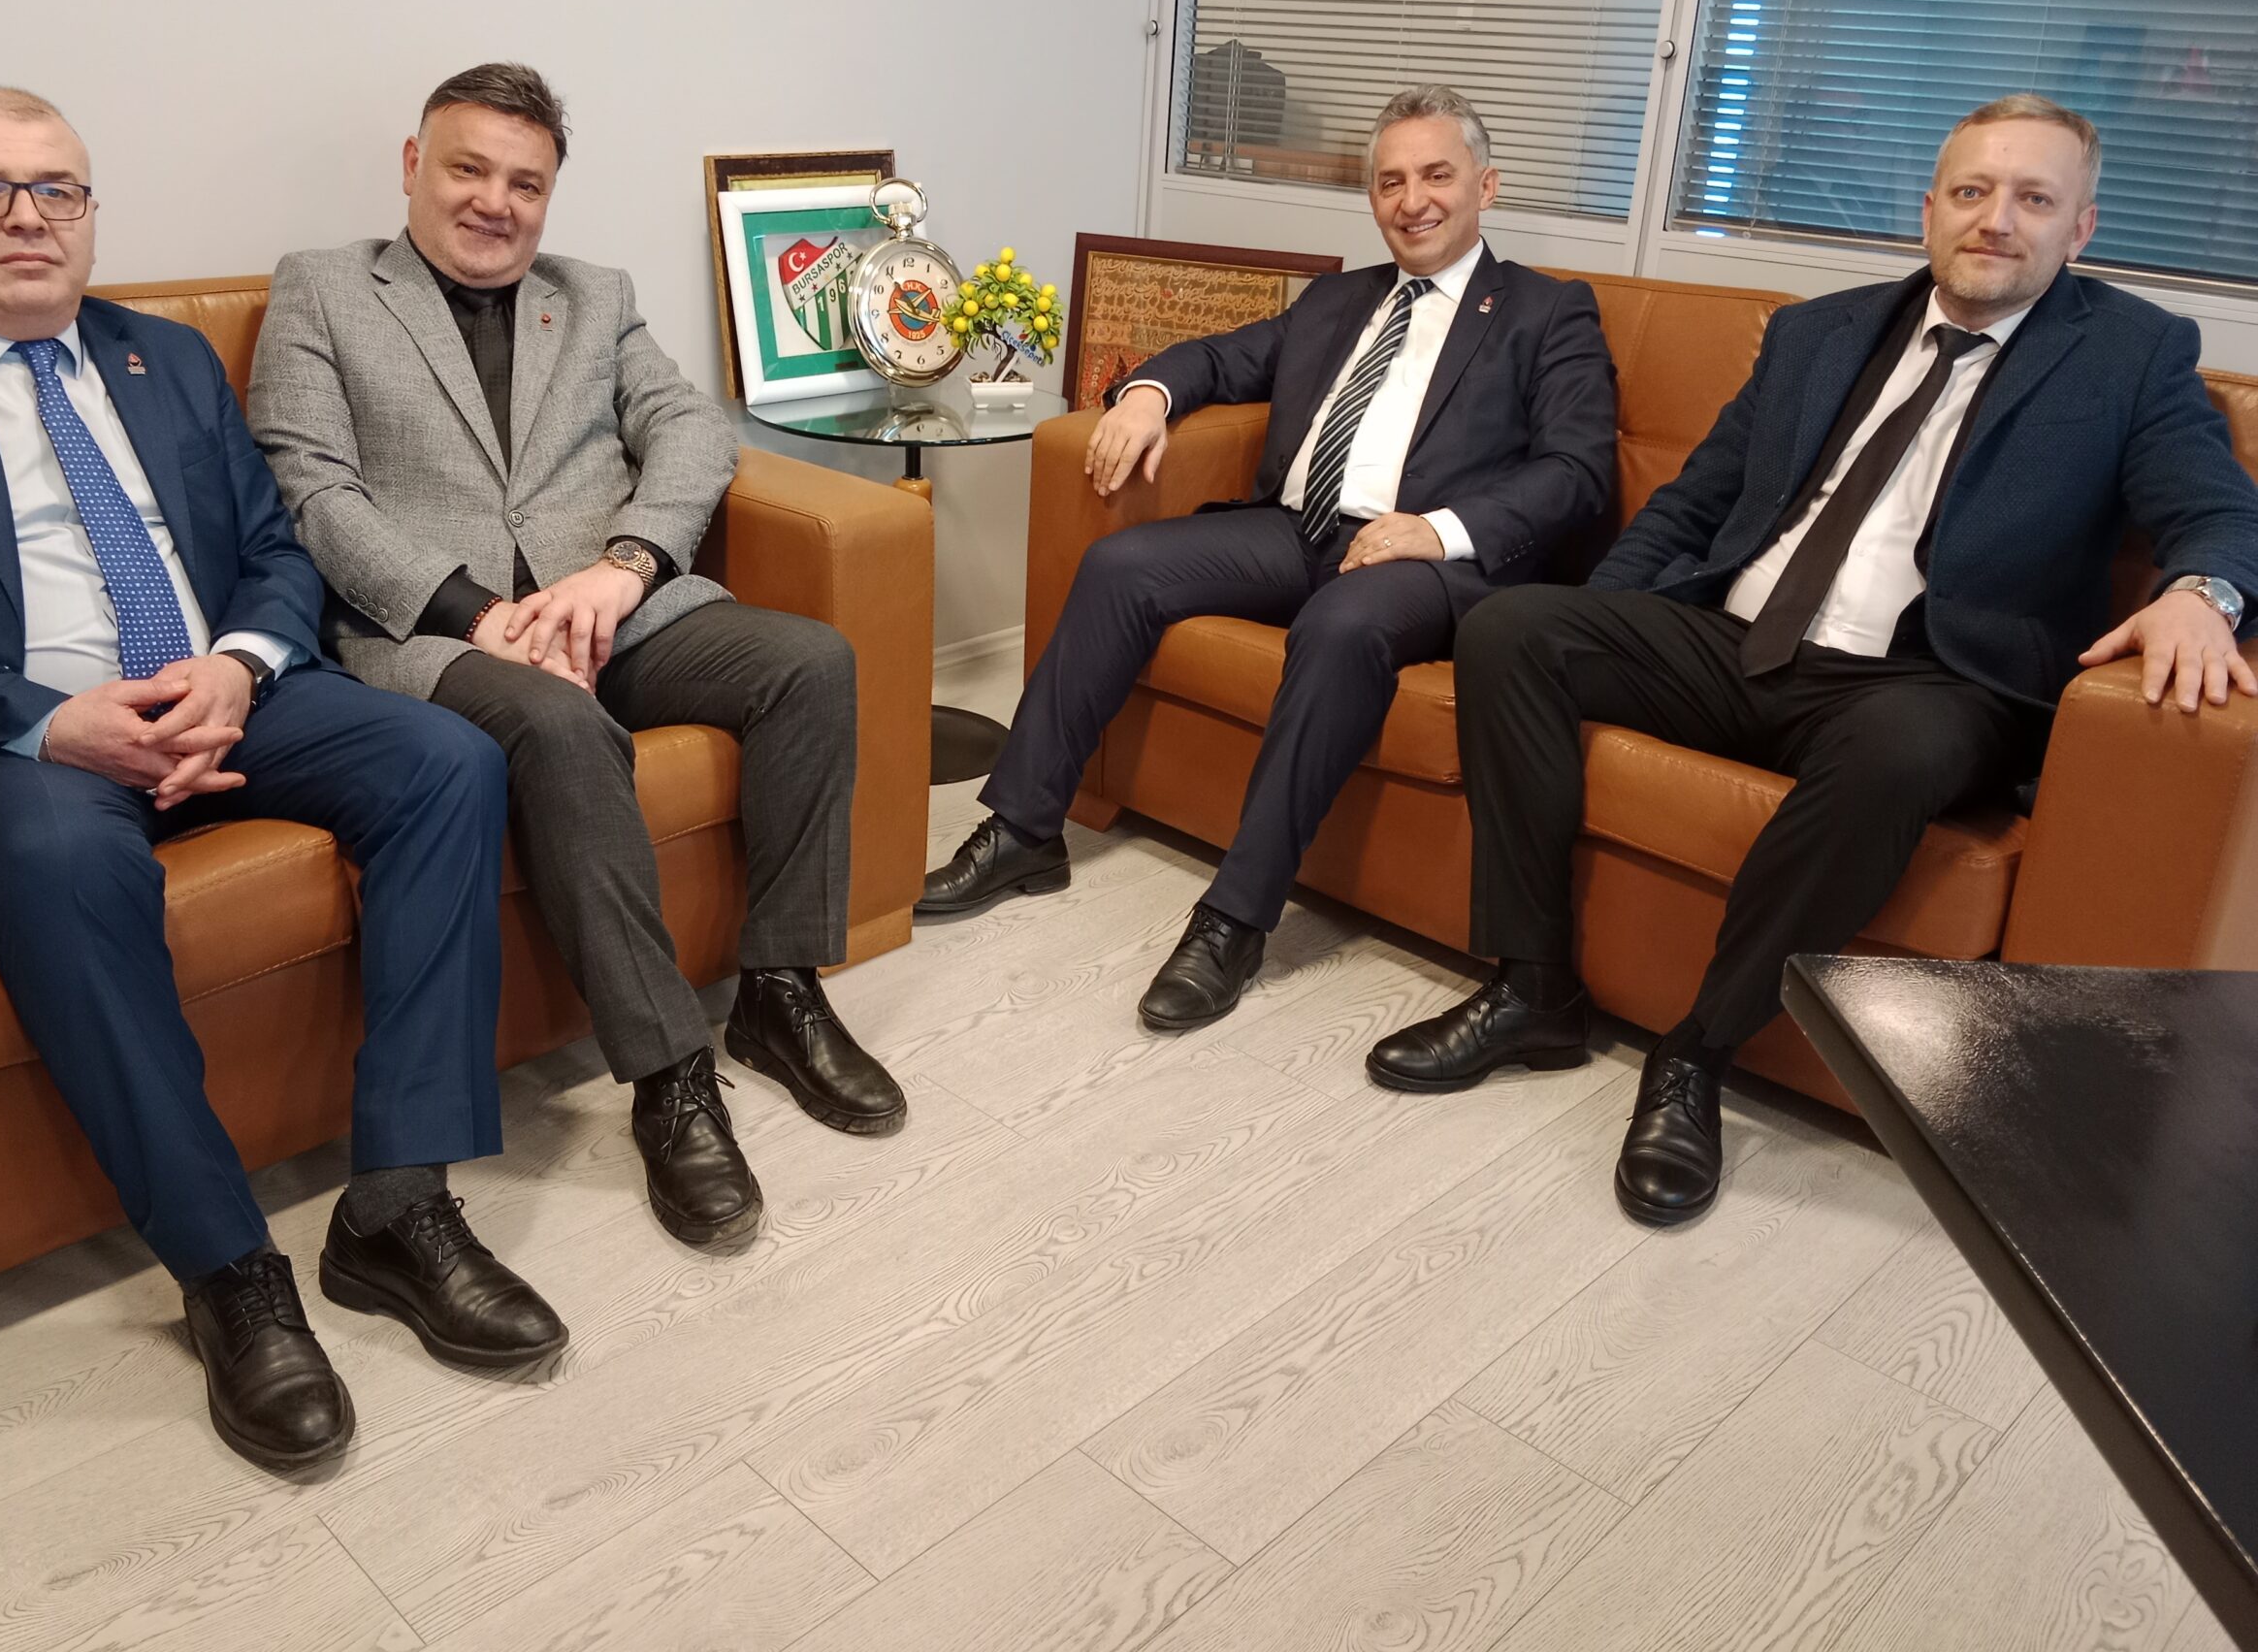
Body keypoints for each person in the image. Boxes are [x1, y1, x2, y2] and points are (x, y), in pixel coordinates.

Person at [0, 87, 563, 1472]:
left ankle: (396, 1203)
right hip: (11, 736)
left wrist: (240, 669)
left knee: (447, 758)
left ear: (91, 214)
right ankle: (227, 1269)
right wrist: (51, 719)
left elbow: (271, 549)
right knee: (64, 859)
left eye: (58, 189)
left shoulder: (169, 358)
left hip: (217, 695)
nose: (28, 217)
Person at [1373, 94, 2258, 1222]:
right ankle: (1533, 989)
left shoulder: (2129, 356)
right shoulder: (1816, 334)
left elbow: (2218, 511)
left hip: (1927, 679)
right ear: (1928, 211)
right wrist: (1609, 615)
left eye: (2033, 199)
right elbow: (1693, 504)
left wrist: (2200, 593)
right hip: (1736, 638)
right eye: (1972, 191)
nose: (1996, 219)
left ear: (2078, 228)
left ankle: (1697, 1052)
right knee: (1512, 628)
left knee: (1898, 750)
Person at [249, 63, 902, 1252]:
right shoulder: (325, 288)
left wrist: (627, 565)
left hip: (606, 609)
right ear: (413, 165)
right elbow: (312, 490)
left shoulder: (594, 296)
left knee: (807, 662)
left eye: (525, 183)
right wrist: (471, 612)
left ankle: (779, 990)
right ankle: (670, 1078)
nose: (495, 202)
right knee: (558, 726)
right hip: (433, 635)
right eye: (469, 169)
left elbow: (689, 429)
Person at [921, 84, 1618, 1031]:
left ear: (1484, 186)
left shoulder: (1547, 311)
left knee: (1339, 626)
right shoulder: (1338, 299)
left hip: (1424, 560)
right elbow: (1218, 358)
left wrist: (1439, 528)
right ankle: (1024, 830)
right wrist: (1148, 395)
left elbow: (1578, 470)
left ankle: (1234, 921)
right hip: (1298, 530)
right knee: (1122, 566)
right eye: (1389, 182)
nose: (1412, 200)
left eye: (1436, 176)